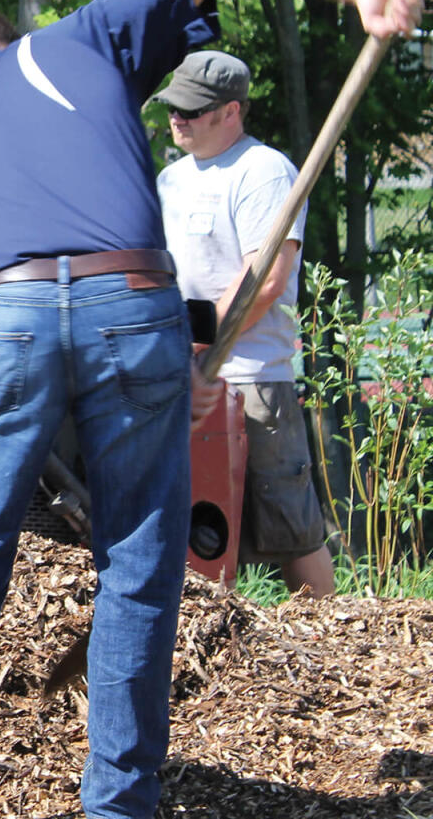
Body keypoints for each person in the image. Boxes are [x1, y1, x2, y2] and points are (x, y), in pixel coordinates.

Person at [0, 0, 424, 819]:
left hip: (10, 311)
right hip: (132, 299)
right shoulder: (78, 40)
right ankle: (120, 806)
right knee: (138, 565)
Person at [155, 51, 337, 598]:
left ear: (231, 110)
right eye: (174, 105)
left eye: (192, 108)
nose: (177, 117)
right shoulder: (169, 179)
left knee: (292, 532)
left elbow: (267, 280)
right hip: (181, 379)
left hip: (251, 379)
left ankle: (336, 648)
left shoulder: (263, 171)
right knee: (193, 533)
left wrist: (203, 346)